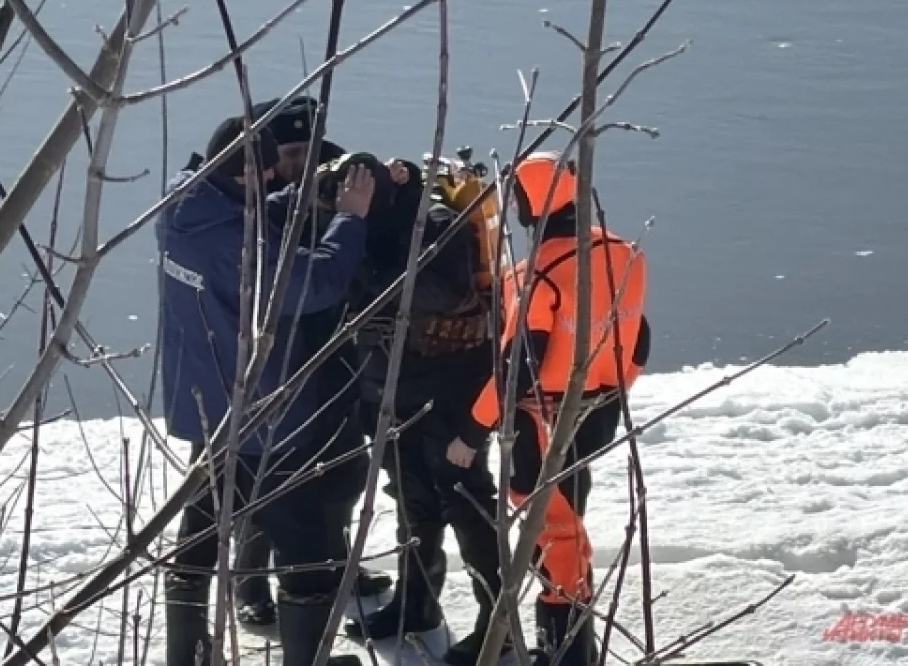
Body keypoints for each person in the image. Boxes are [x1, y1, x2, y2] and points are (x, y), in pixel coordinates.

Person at [157, 105, 378, 666]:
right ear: (243, 176)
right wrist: (349, 217)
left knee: (201, 529)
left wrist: (298, 200)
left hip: (205, 406)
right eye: (268, 176)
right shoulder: (243, 246)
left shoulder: (179, 209)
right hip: (265, 416)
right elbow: (315, 282)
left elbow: (241, 225)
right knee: (303, 547)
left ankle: (188, 653)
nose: (276, 179)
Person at [445, 151, 650, 666]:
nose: (514, 206)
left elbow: (521, 364)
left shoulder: (540, 273)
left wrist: (472, 431)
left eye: (517, 196)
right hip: (599, 411)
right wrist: (615, 389)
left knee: (552, 537)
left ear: (537, 200)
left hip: (542, 424)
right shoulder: (624, 254)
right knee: (568, 527)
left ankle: (565, 657)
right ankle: (571, 650)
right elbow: (640, 339)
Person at [227, 96, 393, 627]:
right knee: (268, 482)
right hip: (272, 363)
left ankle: (334, 563)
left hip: (338, 352)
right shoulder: (252, 200)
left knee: (343, 470)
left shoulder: (341, 177)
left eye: (309, 149)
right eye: (291, 152)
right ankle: (250, 580)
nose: (301, 162)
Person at [339, 156, 509, 665]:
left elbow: (447, 291)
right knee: (411, 495)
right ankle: (418, 603)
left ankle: (495, 624)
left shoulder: (435, 222)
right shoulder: (364, 222)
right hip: (393, 385)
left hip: (450, 383)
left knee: (465, 500)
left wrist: (367, 269)